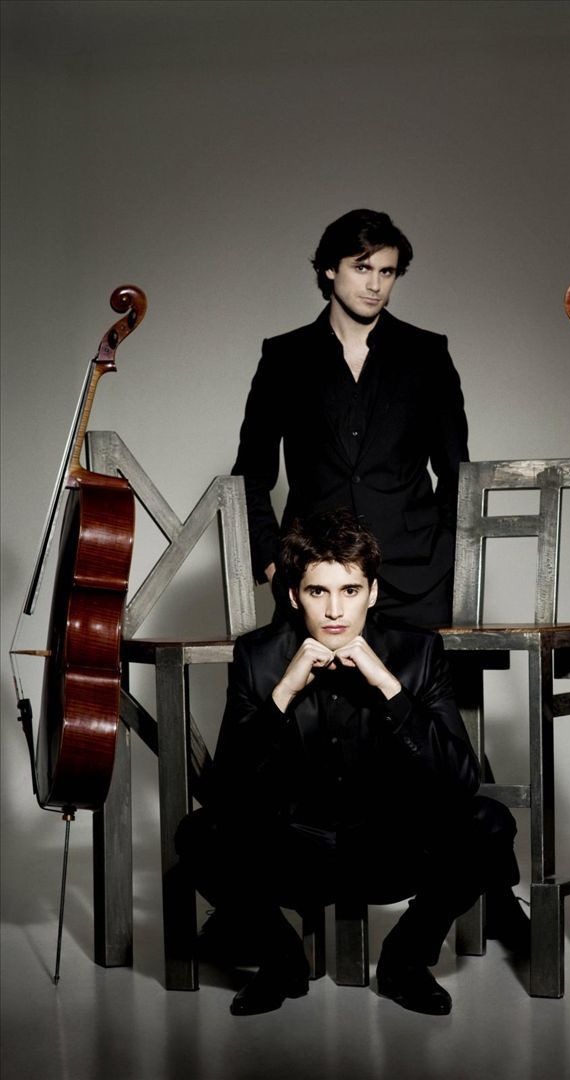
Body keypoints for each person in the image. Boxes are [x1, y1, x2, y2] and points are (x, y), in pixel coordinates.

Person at [176, 509, 528, 1017]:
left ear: (374, 592)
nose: (335, 610)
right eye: (319, 592)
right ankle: (281, 962)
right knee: (198, 835)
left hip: (387, 849)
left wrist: (389, 687)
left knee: (487, 824)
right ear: (295, 595)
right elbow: (224, 789)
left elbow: (460, 779)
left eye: (351, 590)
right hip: (295, 853)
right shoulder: (258, 656)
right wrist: (284, 692)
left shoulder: (418, 651)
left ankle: (405, 963)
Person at [231, 208, 469, 627]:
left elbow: (458, 476)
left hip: (416, 580)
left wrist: (445, 556)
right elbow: (249, 478)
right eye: (362, 267)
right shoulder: (284, 358)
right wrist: (275, 566)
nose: (375, 285)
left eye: (387, 271)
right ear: (328, 269)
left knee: (422, 695)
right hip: (316, 584)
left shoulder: (426, 355)